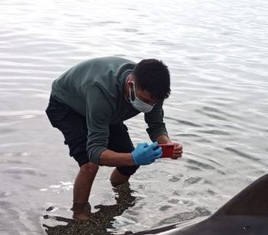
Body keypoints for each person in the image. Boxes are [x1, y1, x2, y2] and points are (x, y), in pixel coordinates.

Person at [45, 56, 183, 220]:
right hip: (67, 105)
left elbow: (156, 125)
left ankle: (118, 190)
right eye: (145, 101)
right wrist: (132, 157)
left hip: (105, 111)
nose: (149, 105)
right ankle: (79, 215)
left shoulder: (153, 93)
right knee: (90, 165)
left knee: (130, 164)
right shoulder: (102, 91)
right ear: (130, 83)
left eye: (154, 102)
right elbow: (95, 152)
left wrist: (167, 145)